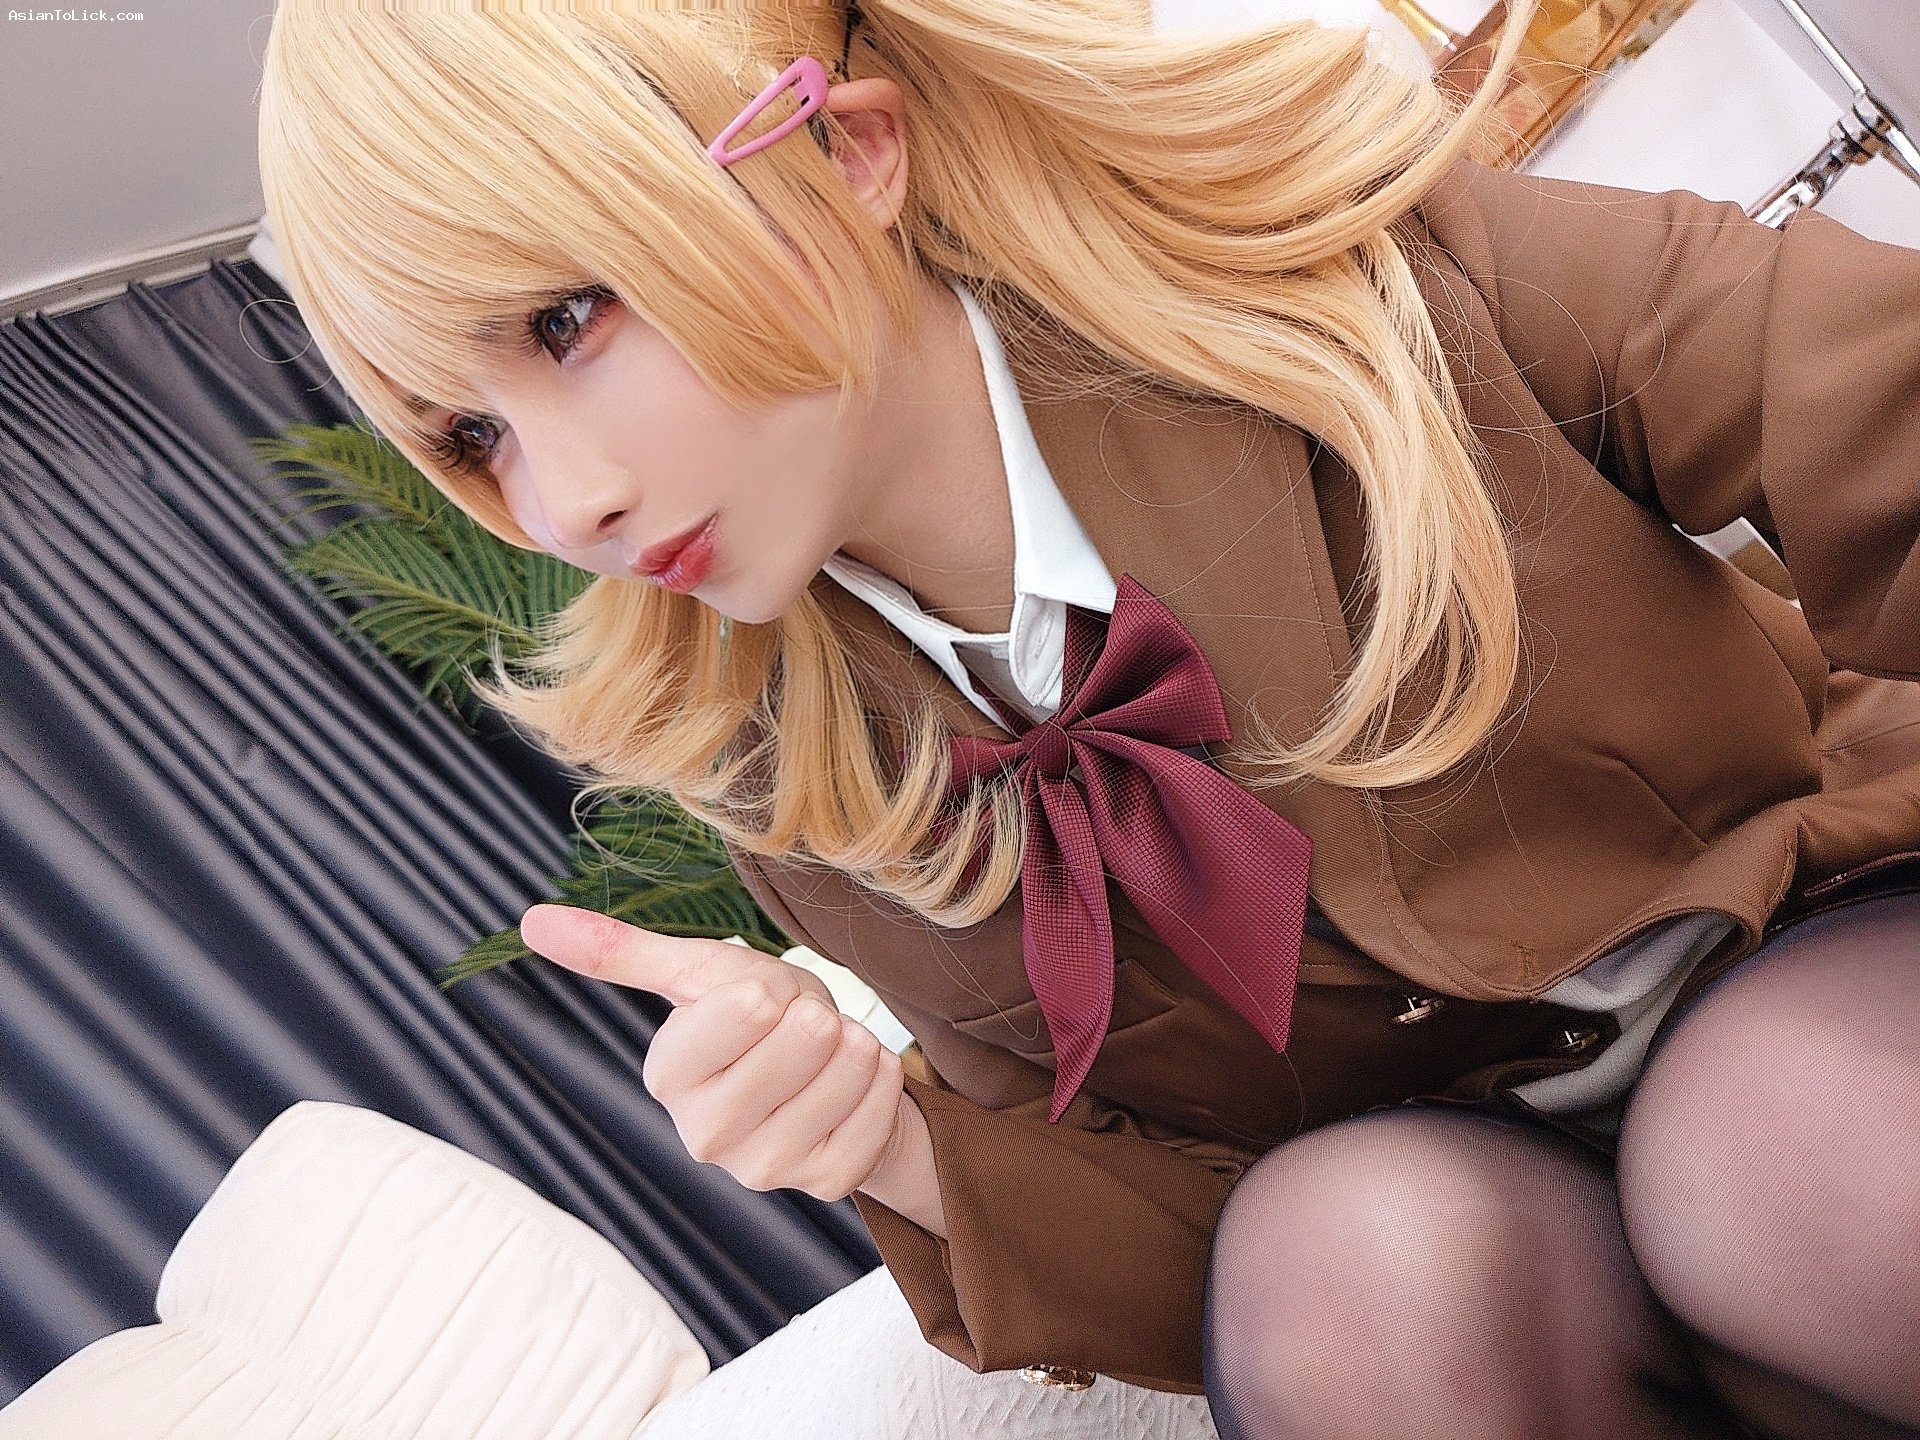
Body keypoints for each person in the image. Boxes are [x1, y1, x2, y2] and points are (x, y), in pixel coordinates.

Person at [255, 4, 1920, 1436]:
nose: (570, 503)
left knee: (1765, 1142)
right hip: (1496, 1222)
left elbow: (1860, 389)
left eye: (568, 320)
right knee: (1354, 1283)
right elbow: (1204, 1223)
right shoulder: (783, 784)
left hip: (1822, 947)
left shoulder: (1354, 279)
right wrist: (888, 1145)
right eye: (470, 437)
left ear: (849, 155)